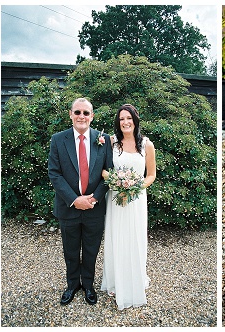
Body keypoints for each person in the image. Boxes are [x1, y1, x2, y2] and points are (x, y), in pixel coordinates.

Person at [48, 97, 114, 305]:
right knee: (70, 250)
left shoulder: (103, 140)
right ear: (71, 114)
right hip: (68, 208)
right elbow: (54, 174)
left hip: (94, 207)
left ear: (92, 116)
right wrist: (74, 199)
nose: (81, 117)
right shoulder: (58, 140)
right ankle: (71, 285)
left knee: (91, 249)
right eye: (77, 112)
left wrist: (93, 198)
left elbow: (109, 173)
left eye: (86, 113)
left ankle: (88, 285)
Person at [100, 104, 157, 310]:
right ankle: (115, 281)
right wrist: (117, 182)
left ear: (135, 120)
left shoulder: (147, 145)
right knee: (117, 236)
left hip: (136, 199)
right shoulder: (112, 143)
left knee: (135, 237)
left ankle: (135, 278)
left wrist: (133, 187)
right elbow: (104, 170)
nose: (125, 122)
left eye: (129, 118)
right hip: (116, 197)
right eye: (122, 119)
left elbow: (151, 175)